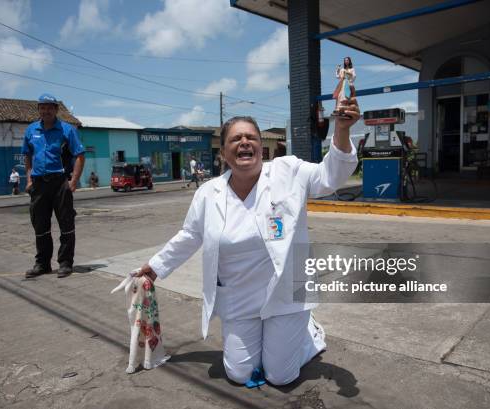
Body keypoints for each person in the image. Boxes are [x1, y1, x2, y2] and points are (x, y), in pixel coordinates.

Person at [136, 99, 360, 386]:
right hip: (239, 296)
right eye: (236, 138)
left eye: (251, 137)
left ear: (260, 147)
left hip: (286, 292)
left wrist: (341, 130)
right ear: (224, 152)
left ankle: (309, 335)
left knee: (280, 376)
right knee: (239, 374)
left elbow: (330, 176)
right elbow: (191, 235)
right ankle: (279, 341)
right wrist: (155, 267)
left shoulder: (288, 171)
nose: (244, 142)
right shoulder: (208, 193)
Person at [22, 93, 85, 279]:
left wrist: (73, 181)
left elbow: (80, 155)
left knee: (66, 224)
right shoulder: (31, 130)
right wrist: (29, 180)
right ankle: (42, 264)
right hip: (39, 184)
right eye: (43, 107)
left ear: (56, 110)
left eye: (50, 107)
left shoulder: (67, 130)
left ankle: (65, 263)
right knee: (40, 225)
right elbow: (27, 155)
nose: (46, 110)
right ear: (39, 109)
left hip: (60, 183)